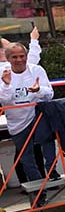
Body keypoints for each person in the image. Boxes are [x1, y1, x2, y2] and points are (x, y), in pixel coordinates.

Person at [0, 43, 56, 200]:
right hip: (17, 122)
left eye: (22, 56)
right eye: (15, 57)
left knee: (49, 144)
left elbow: (49, 94)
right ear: (8, 59)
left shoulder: (36, 70)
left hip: (37, 117)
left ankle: (53, 173)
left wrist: (38, 90)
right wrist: (6, 84)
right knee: (27, 160)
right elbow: (5, 102)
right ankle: (40, 194)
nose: (19, 60)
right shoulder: (2, 72)